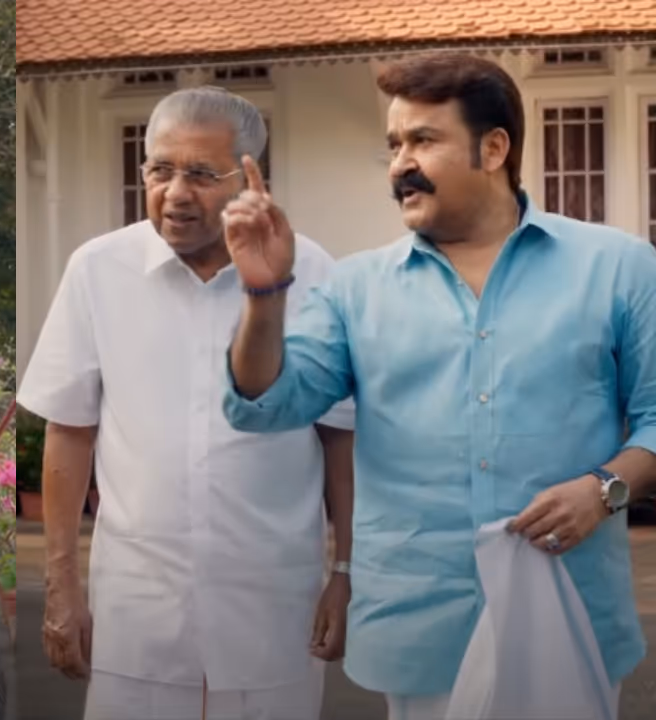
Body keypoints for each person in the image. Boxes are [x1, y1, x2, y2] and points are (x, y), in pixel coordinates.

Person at [222, 52, 654, 720]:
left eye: (423, 140)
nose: (400, 164)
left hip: (573, 617)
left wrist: (603, 491)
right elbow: (267, 405)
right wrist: (263, 293)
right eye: (394, 145)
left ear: (494, 148)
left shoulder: (618, 268)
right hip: (422, 628)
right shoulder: (355, 289)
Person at [17, 86, 356, 720]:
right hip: (140, 608)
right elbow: (70, 430)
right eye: (159, 170)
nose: (175, 192)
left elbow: (340, 434)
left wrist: (345, 573)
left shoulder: (312, 275)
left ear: (253, 180)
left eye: (200, 174)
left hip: (272, 606)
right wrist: (61, 584)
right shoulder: (97, 270)